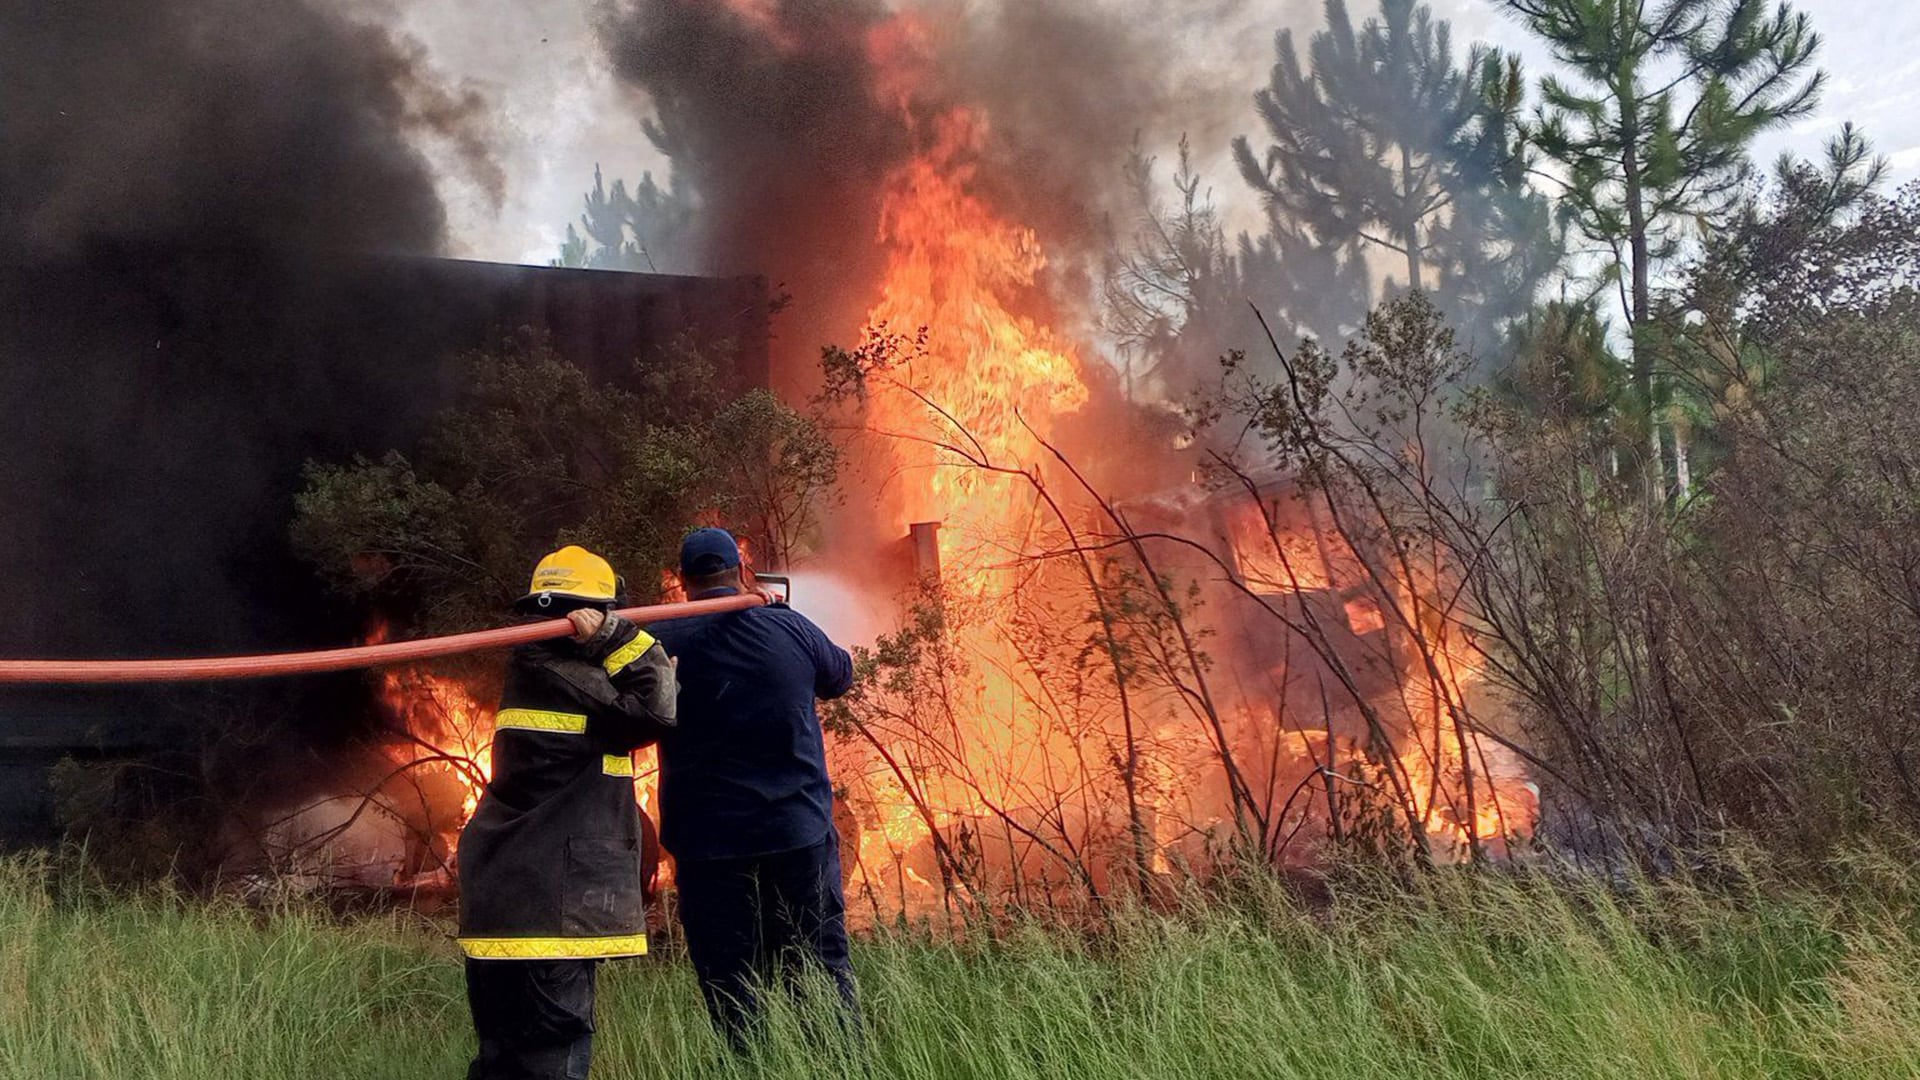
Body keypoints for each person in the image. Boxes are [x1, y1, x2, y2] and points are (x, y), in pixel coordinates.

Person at [456, 545, 678, 1080]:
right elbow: (656, 711)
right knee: (550, 1060)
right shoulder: (569, 676)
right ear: (584, 620)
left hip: (507, 903)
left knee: (503, 1064)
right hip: (546, 911)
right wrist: (619, 639)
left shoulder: (533, 670)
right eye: (608, 617)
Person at [648, 527, 858, 1047]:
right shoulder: (788, 626)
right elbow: (840, 675)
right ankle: (838, 1063)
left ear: (682, 581)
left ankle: (748, 1063)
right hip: (797, 830)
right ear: (740, 570)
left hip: (707, 844)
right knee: (819, 962)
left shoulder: (660, 640)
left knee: (728, 974)